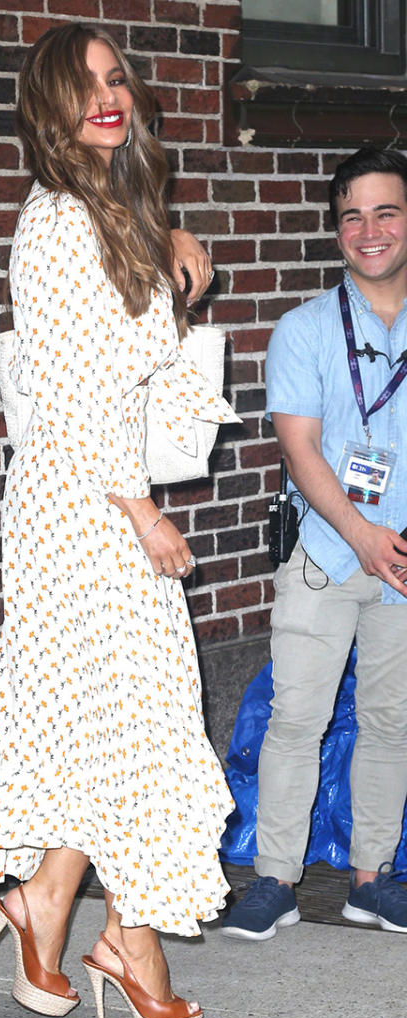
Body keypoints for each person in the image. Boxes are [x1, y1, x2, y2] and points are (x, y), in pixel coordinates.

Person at [0, 23, 233, 1018]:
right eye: (84, 85)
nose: (109, 96)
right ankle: (126, 946)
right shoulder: (54, 223)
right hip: (84, 503)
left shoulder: (110, 211)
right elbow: (74, 392)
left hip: (93, 497)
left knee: (116, 723)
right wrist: (139, 506)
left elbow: (123, 341)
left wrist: (172, 249)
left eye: (115, 78)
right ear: (47, 110)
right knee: (137, 720)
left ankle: (51, 907)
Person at [222, 146, 407, 942]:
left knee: (389, 720)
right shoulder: (301, 330)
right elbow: (300, 450)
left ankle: (373, 879)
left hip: (404, 562)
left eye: (386, 211)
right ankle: (276, 882)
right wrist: (362, 535)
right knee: (297, 719)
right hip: (327, 557)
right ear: (337, 232)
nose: (369, 230)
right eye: (352, 216)